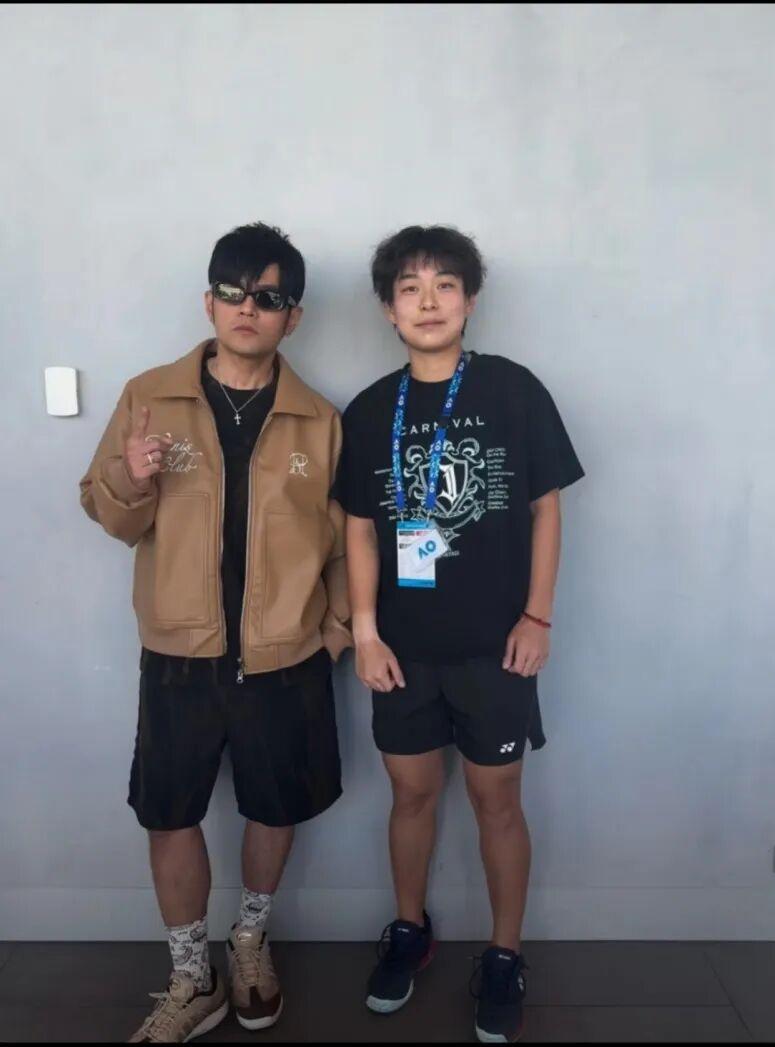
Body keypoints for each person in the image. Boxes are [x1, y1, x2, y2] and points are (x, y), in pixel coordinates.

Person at [80, 222, 351, 1043]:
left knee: (276, 805)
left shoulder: (319, 420)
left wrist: (335, 629)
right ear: (209, 301)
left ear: (292, 316)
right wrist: (131, 476)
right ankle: (191, 974)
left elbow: (348, 539)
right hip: (179, 654)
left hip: (285, 657)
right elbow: (106, 510)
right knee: (170, 813)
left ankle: (249, 941)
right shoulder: (150, 396)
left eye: (268, 297)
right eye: (232, 292)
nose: (247, 308)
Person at [333, 225, 584, 1044]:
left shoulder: (513, 390)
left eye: (445, 284)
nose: (429, 301)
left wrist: (537, 616)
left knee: (495, 801)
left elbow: (547, 507)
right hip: (402, 650)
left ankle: (505, 955)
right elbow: (359, 528)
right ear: (389, 309)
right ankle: (411, 928)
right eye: (410, 288)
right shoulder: (371, 409)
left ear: (470, 300)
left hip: (496, 647)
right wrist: (365, 631)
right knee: (410, 795)